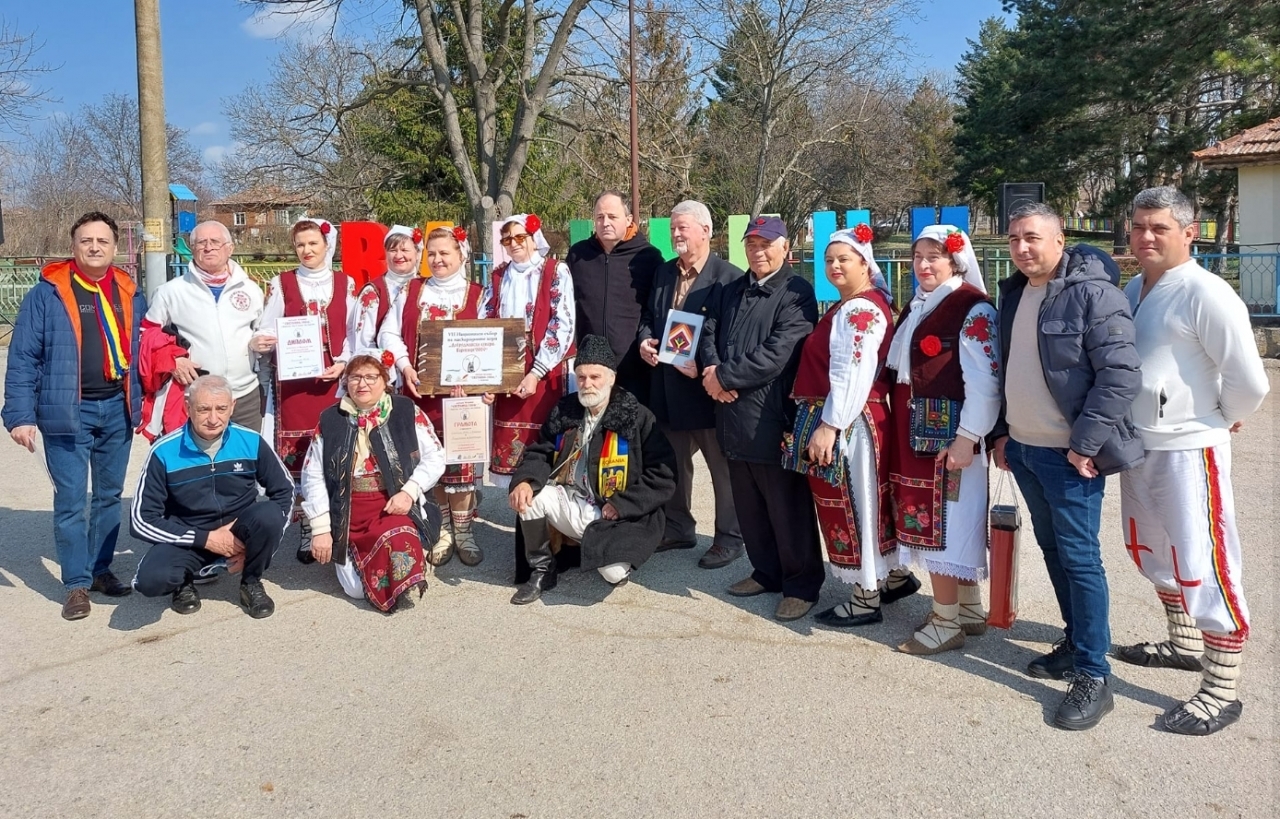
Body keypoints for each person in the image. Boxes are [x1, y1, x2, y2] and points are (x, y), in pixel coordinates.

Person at [1114, 186, 1269, 736]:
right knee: (1152, 548)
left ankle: (1221, 688)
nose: (1146, 236)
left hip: (1189, 448)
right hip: (1139, 443)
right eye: (1139, 226)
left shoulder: (1207, 292)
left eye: (1159, 227)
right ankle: (1183, 644)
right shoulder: (1133, 287)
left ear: (1189, 232)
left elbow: (1250, 381)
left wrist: (1219, 416)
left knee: (1204, 558)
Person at [992, 203, 1142, 731]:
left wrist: (1084, 445)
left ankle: (1095, 675)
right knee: (1054, 551)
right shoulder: (1014, 294)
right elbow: (1010, 369)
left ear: (1059, 240)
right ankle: (1076, 643)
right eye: (1014, 239)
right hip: (1024, 449)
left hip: (1069, 457)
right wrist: (1004, 432)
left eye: (1032, 237)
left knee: (1081, 561)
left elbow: (1120, 376)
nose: (1022, 248)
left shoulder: (1093, 294)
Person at [3, 211, 144, 621]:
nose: (95, 247)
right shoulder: (47, 294)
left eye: (102, 241)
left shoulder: (129, 292)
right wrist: (19, 415)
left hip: (117, 409)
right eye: (87, 240)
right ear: (73, 246)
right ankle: (76, 583)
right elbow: (24, 357)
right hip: (66, 412)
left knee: (108, 496)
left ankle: (100, 570)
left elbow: (147, 346)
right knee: (70, 501)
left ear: (115, 248)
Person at [784, 225, 919, 626]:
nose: (834, 266)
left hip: (851, 422)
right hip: (859, 416)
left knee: (854, 504)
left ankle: (865, 598)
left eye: (844, 259)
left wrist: (830, 425)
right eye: (829, 260)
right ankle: (893, 576)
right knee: (870, 501)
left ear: (865, 263)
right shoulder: (858, 304)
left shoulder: (859, 310)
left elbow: (851, 372)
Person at [699, 216, 822, 622]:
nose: (758, 251)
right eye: (751, 244)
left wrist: (724, 377)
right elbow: (709, 331)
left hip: (771, 417)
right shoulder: (732, 289)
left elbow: (778, 353)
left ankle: (801, 585)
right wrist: (712, 371)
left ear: (785, 247)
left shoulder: (796, 292)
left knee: (787, 508)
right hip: (731, 415)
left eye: (766, 244)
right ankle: (766, 572)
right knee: (750, 507)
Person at [885, 225, 1000, 654]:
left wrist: (968, 437)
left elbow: (985, 383)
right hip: (921, 436)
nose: (923, 265)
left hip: (949, 438)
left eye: (934, 257)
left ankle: (945, 621)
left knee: (946, 525)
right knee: (947, 521)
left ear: (956, 261)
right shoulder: (921, 304)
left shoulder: (971, 308)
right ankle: (967, 608)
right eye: (918, 257)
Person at [507, 335, 676, 605]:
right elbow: (540, 451)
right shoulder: (565, 410)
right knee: (530, 498)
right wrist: (525, 480)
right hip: (571, 498)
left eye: (595, 377)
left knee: (613, 573)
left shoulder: (636, 416)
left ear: (611, 378)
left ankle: (600, 552)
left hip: (617, 514)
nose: (588, 384)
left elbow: (663, 475)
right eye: (582, 377)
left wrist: (623, 504)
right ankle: (542, 570)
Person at [637, 200, 745, 569]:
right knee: (672, 464)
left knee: (722, 470)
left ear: (706, 231)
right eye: (672, 229)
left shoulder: (729, 277)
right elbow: (649, 317)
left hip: (707, 392)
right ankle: (678, 528)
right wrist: (645, 341)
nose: (676, 234)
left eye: (682, 227)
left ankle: (729, 538)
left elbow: (732, 336)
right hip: (667, 388)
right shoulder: (663, 273)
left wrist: (702, 365)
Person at [130, 376, 292, 618]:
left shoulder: (251, 441)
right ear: (188, 407)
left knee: (269, 515)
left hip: (238, 533)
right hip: (190, 537)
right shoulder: (163, 451)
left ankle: (251, 581)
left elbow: (285, 491)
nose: (213, 419)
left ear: (232, 407)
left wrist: (253, 551)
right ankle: (183, 582)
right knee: (151, 580)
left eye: (221, 409)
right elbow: (141, 519)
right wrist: (206, 539)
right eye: (204, 409)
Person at [300, 354, 446, 612]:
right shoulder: (330, 420)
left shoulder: (405, 410)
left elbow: (435, 456)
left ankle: (416, 545)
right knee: (356, 591)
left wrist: (409, 492)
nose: (362, 384)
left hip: (393, 504)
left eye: (371, 376)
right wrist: (320, 528)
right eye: (355, 377)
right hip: (347, 511)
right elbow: (313, 475)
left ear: (385, 380)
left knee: (399, 544)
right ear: (346, 382)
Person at [380, 225, 486, 567]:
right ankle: (442, 531)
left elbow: (489, 341)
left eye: (445, 253)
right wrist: (405, 366)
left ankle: (464, 531)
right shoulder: (412, 290)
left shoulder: (478, 295)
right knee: (431, 460)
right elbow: (389, 333)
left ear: (461, 255)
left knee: (461, 465)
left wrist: (475, 380)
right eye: (432, 253)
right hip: (421, 393)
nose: (438, 259)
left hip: (461, 397)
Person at [250, 218, 356, 560]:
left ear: (327, 245)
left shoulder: (345, 283)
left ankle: (339, 522)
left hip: (333, 381)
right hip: (295, 385)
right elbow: (266, 327)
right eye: (300, 245)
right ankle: (308, 526)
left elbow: (353, 332)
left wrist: (344, 362)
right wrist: (262, 340)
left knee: (336, 451)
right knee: (297, 454)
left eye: (313, 243)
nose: (307, 250)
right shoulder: (282, 284)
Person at [138, 220, 265, 437]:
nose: (208, 248)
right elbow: (147, 334)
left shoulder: (251, 289)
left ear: (230, 248)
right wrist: (173, 360)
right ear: (192, 249)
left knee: (245, 456)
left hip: (244, 396)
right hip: (195, 397)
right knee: (194, 458)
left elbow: (262, 329)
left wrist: (259, 340)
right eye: (201, 243)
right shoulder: (170, 292)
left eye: (215, 242)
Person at [482, 214, 575, 485]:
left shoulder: (556, 271)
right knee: (511, 444)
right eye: (507, 239)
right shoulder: (499, 275)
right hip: (506, 368)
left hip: (546, 368)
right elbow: (485, 322)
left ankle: (549, 505)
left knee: (548, 435)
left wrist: (536, 372)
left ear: (534, 238)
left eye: (520, 237)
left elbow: (562, 324)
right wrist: (487, 376)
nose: (514, 243)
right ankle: (518, 505)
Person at [566, 190, 664, 403]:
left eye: (612, 216)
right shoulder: (578, 256)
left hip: (635, 371)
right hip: (591, 372)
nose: (605, 223)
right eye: (600, 217)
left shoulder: (649, 258)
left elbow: (656, 310)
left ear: (629, 219)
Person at [352, 225, 423, 358]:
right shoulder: (372, 291)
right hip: (384, 367)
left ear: (417, 253)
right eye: (392, 250)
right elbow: (364, 343)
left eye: (404, 250)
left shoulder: (427, 287)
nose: (398, 255)